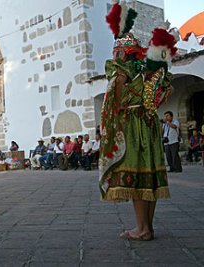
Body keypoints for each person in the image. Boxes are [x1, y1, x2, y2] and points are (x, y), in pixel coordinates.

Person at [100, 4, 175, 241]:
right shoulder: (151, 71)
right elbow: (165, 93)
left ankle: (141, 229)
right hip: (150, 122)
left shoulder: (121, 69)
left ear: (122, 52)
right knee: (149, 176)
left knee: (136, 176)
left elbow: (116, 99)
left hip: (132, 123)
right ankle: (147, 228)